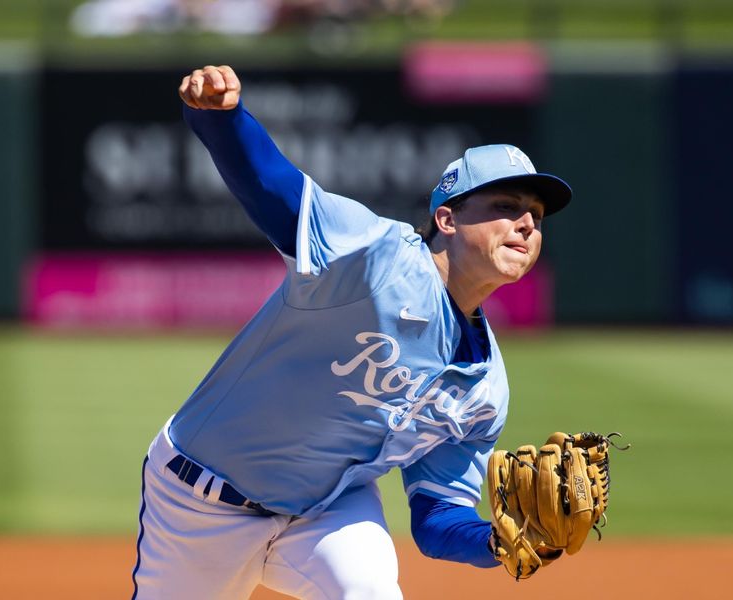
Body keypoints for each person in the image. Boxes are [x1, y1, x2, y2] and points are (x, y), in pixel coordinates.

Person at [131, 64, 572, 599]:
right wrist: (221, 119)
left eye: (536, 216)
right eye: (505, 207)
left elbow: (438, 519)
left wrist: (500, 542)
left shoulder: (484, 391)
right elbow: (275, 190)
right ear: (448, 220)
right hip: (199, 502)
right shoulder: (375, 256)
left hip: (328, 508)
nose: (526, 224)